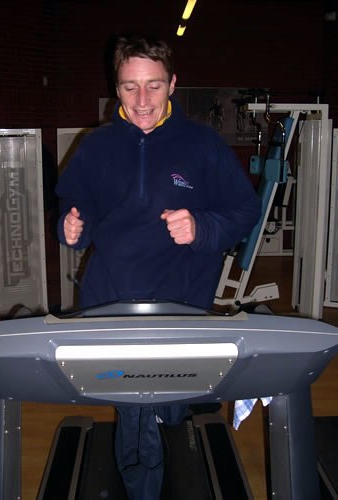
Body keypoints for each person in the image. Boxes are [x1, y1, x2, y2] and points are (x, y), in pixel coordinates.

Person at [56, 35, 261, 500]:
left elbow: (244, 211)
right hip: (114, 296)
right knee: (137, 408)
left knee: (170, 404)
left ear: (172, 83)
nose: (142, 100)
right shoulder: (96, 146)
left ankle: (176, 418)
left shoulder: (203, 145)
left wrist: (202, 227)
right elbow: (75, 201)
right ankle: (143, 487)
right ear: (117, 87)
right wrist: (70, 226)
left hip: (182, 295)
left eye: (153, 85)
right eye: (130, 88)